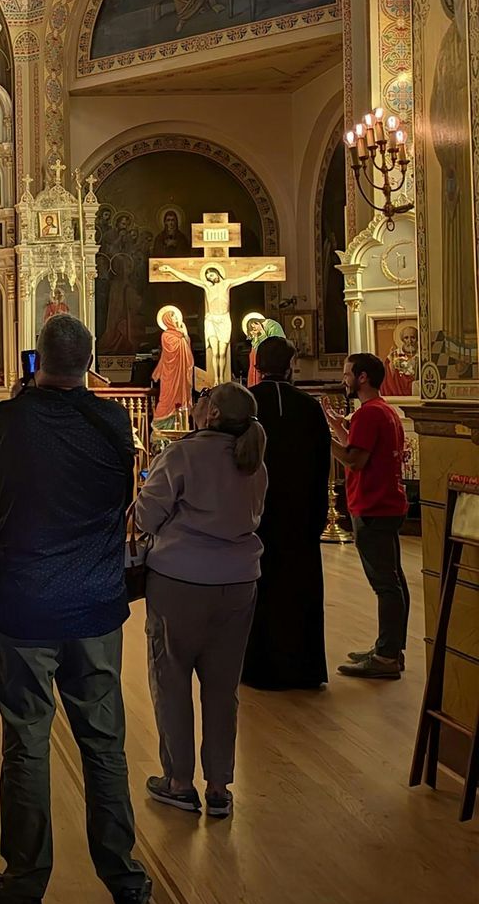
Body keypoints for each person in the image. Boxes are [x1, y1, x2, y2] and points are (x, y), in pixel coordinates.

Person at [0, 315, 152, 904]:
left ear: (37, 360)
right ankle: (124, 881)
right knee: (104, 745)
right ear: (89, 360)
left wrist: (17, 408)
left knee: (26, 743)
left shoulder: (9, 420)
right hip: (95, 606)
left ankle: (25, 882)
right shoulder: (113, 421)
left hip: (23, 608)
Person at [135, 382, 267, 818]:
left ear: (211, 415)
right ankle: (218, 786)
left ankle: (177, 780)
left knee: (171, 679)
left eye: (204, 399)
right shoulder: (254, 461)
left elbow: (146, 515)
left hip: (180, 581)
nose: (198, 402)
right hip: (239, 582)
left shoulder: (183, 454)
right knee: (222, 686)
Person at [242, 338, 330, 690]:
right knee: (299, 589)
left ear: (258, 365)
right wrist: (318, 512)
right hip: (300, 513)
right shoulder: (308, 406)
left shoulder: (247, 405)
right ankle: (304, 668)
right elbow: (322, 465)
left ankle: (259, 670)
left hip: (257, 516)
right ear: (291, 363)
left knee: (261, 589)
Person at [322, 353, 410, 679]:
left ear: (361, 378)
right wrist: (335, 425)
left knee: (386, 585)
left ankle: (386, 657)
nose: (343, 379)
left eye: (347, 374)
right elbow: (359, 449)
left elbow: (353, 461)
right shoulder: (382, 411)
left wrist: (324, 439)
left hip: (373, 507)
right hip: (387, 505)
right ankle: (390, 648)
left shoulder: (368, 415)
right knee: (394, 581)